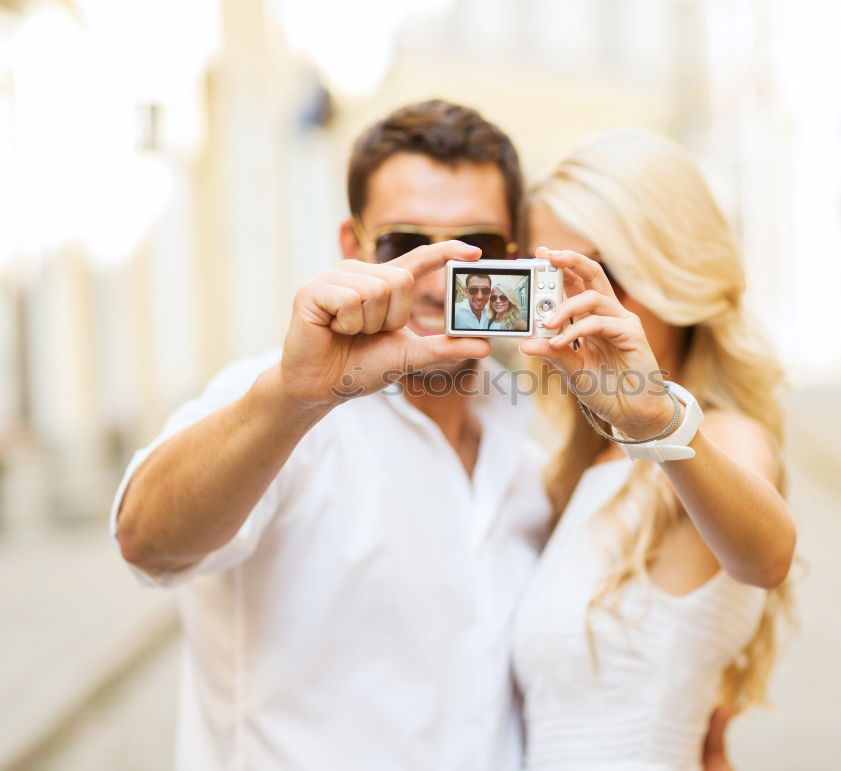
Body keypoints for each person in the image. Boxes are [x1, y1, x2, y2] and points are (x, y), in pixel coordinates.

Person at [111, 100, 733, 770]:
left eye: (477, 247)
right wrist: (294, 397)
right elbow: (147, 539)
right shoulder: (275, 402)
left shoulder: (531, 449)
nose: (440, 276)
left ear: (515, 262)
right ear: (353, 248)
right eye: (407, 246)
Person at [514, 127, 797, 770]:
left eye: (602, 275)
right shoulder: (580, 464)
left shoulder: (717, 440)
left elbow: (768, 555)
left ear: (670, 270)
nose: (577, 305)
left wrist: (659, 423)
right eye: (550, 278)